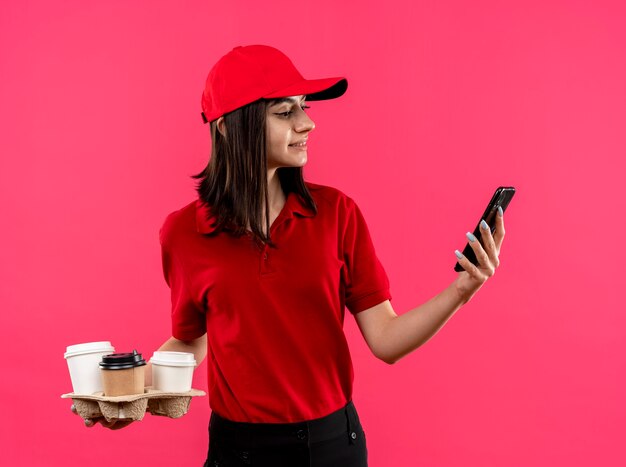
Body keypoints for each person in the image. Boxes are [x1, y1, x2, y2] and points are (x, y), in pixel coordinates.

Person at [75, 44, 506, 467]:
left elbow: (387, 341)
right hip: (238, 450)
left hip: (333, 446)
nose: (306, 125)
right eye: (284, 112)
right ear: (227, 126)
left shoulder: (338, 214)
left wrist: (464, 287)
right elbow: (190, 340)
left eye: (305, 108)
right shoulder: (184, 232)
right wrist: (125, 393)